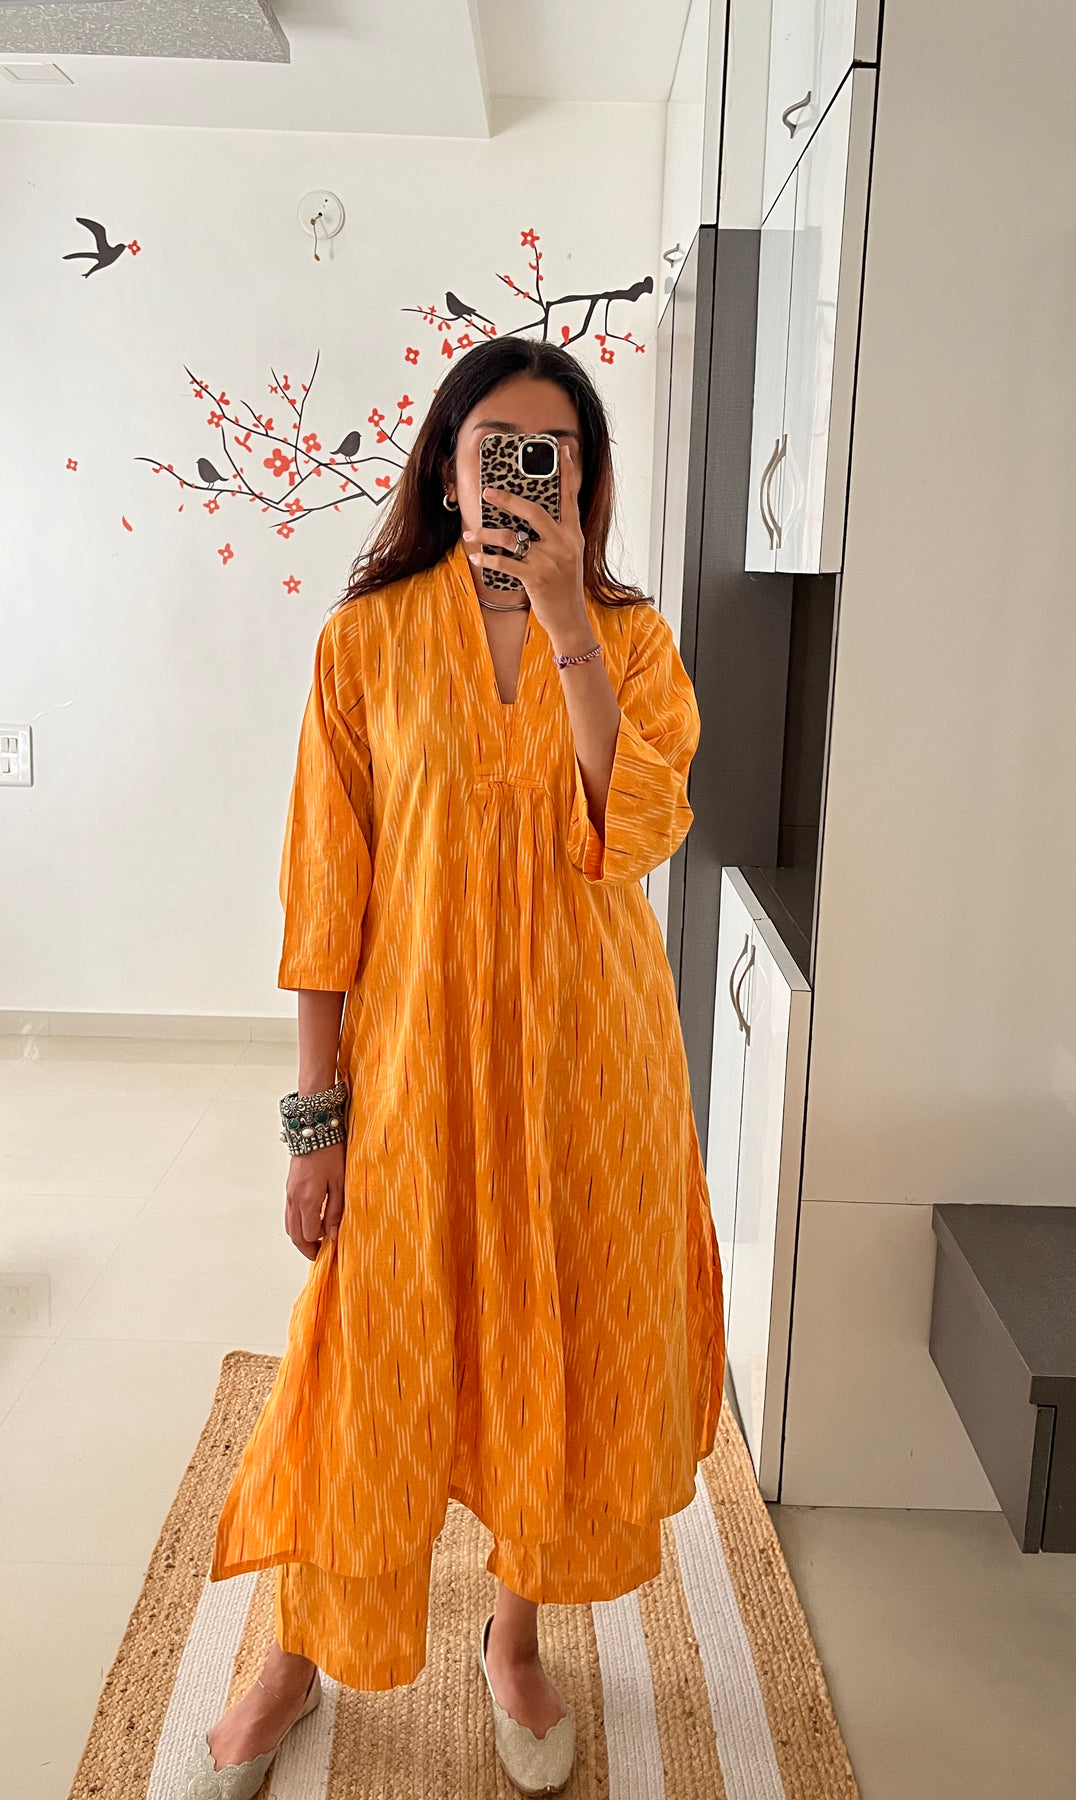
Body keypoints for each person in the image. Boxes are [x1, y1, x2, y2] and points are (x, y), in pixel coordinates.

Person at [179, 336, 725, 1799]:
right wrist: (315, 1122)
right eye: (499, 451)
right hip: (413, 1069)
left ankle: (516, 1640)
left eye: (554, 454)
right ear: (446, 471)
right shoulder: (364, 644)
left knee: (554, 1345)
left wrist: (568, 616)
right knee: (369, 1358)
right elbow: (324, 898)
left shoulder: (634, 642)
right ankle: (297, 1652)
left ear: (587, 480)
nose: (524, 477)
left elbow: (634, 830)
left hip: (590, 1066)